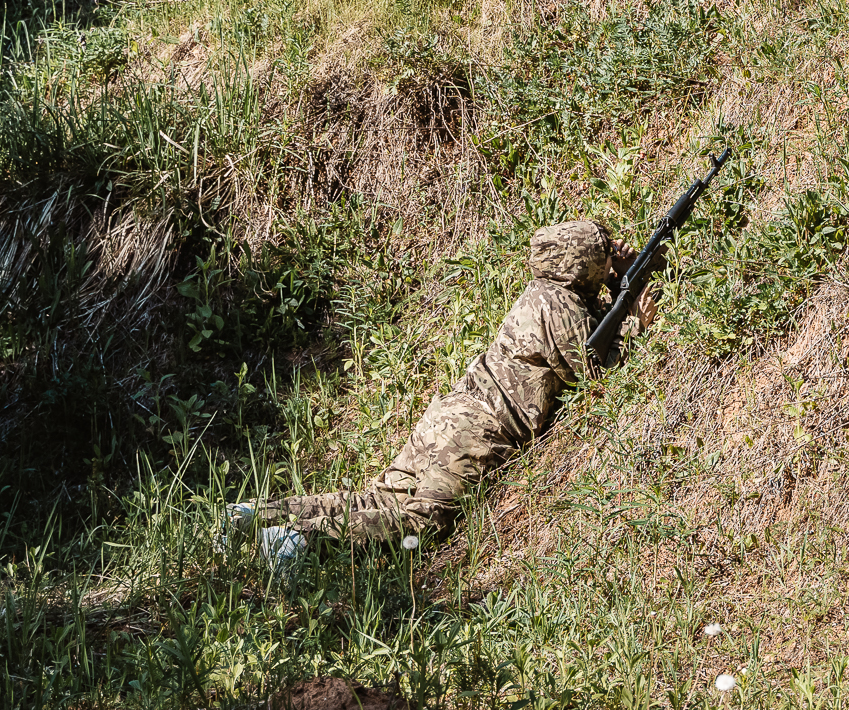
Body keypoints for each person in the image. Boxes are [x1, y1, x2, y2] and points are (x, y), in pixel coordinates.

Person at [222, 219, 633, 567]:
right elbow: (597, 368)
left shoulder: (539, 294)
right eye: (605, 254)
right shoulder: (562, 306)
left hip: (450, 413)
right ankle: (302, 541)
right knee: (423, 520)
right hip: (480, 430)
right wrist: (632, 321)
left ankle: (251, 517)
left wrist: (612, 290)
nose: (612, 258)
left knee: (379, 497)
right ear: (585, 262)